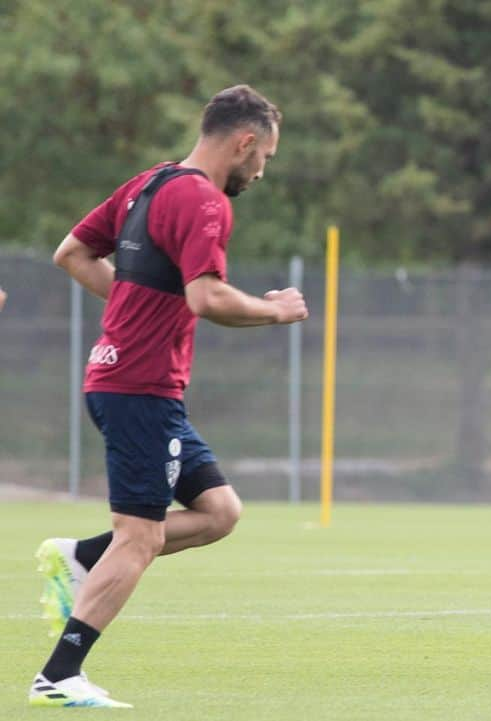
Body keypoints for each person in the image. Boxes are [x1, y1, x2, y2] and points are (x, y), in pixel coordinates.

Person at [29, 85, 308, 708]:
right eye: (264, 156)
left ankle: (78, 559)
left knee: (219, 512)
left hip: (125, 381)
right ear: (244, 142)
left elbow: (71, 254)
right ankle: (58, 676)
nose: (262, 170)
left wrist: (137, 310)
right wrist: (273, 311)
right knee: (141, 537)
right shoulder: (204, 202)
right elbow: (208, 298)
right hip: (139, 389)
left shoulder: (148, 183)